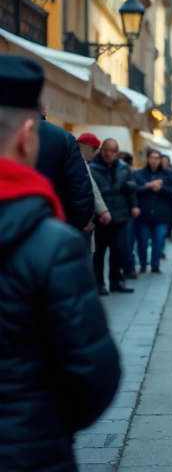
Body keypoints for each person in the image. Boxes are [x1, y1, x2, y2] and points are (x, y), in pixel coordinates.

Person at [0, 54, 120, 471]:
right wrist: (47, 423)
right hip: (29, 451)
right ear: (26, 136)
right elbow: (93, 376)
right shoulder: (52, 246)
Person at [34, 103, 94, 231]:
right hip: (53, 223)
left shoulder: (8, 133)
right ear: (43, 111)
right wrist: (74, 225)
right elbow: (80, 187)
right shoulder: (63, 137)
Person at [89, 139, 137, 295]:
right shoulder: (92, 168)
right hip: (101, 218)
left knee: (118, 250)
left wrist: (134, 205)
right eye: (108, 151)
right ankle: (99, 284)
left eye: (114, 151)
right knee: (99, 252)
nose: (111, 154)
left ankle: (116, 281)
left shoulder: (124, 168)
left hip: (121, 216)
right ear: (101, 150)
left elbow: (132, 190)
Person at [134, 149, 172, 273]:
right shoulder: (139, 174)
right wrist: (149, 186)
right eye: (152, 158)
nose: (154, 161)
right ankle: (143, 263)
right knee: (143, 241)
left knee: (158, 241)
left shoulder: (168, 174)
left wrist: (161, 188)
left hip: (162, 215)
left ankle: (155, 264)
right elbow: (135, 189)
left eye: (157, 158)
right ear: (148, 159)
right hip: (144, 214)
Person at [76, 132, 109, 250]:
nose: (94, 157)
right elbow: (92, 189)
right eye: (94, 153)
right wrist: (103, 211)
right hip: (79, 221)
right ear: (88, 151)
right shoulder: (79, 164)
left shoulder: (79, 162)